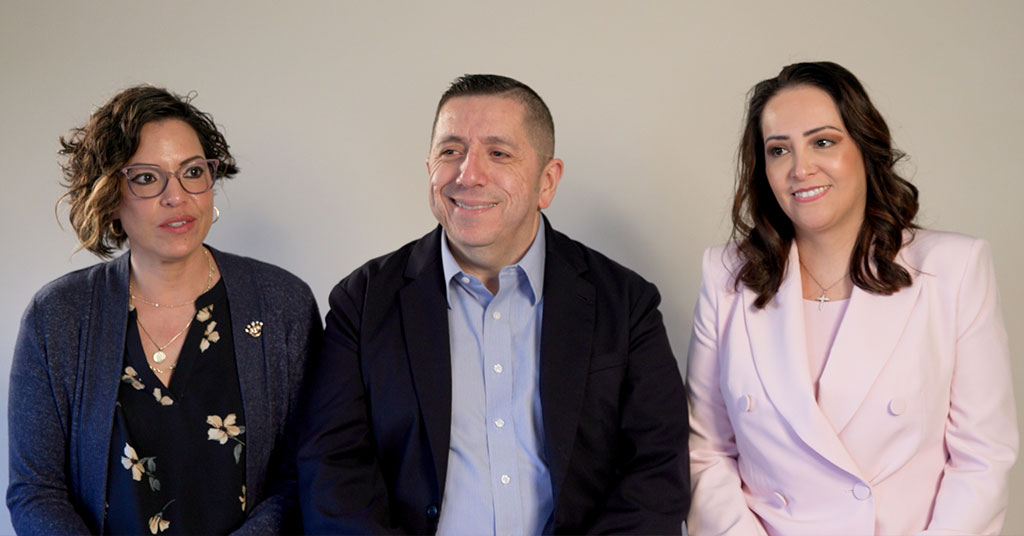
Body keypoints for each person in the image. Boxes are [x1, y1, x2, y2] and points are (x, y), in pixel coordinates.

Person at [296, 74, 689, 534]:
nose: (468, 175)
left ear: (547, 180)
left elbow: (656, 471)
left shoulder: (626, 303)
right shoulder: (363, 301)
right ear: (429, 170)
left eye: (498, 153)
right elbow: (332, 468)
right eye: (450, 151)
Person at [686, 61, 1018, 535]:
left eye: (823, 141)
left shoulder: (954, 269)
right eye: (779, 150)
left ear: (865, 148)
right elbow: (706, 452)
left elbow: (982, 457)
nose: (801, 168)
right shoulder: (725, 277)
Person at [7, 86, 321, 535]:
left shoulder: (282, 304)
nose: (178, 197)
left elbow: (303, 476)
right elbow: (36, 490)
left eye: (193, 171)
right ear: (110, 196)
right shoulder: (58, 317)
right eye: (148, 178)